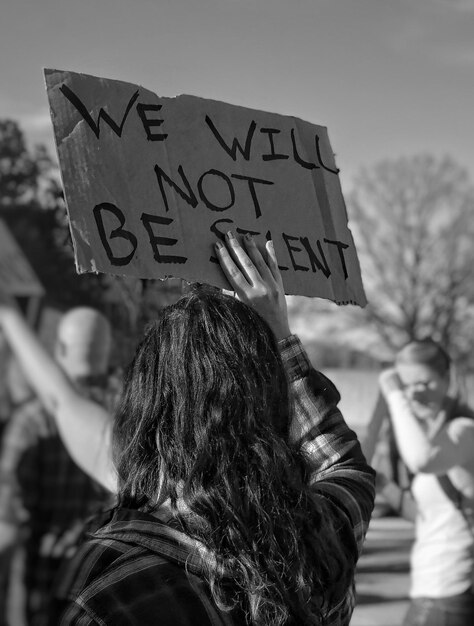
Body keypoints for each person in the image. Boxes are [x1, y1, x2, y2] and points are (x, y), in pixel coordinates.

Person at [1, 233, 375, 625]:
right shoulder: (321, 538)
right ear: (274, 401)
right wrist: (277, 331)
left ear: (146, 407)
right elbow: (343, 464)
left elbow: (62, 402)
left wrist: (9, 312)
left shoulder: (108, 586)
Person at [0, 307, 115, 626]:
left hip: (44, 592)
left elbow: (6, 529)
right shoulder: (129, 418)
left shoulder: (32, 422)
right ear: (106, 351)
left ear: (60, 349)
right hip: (106, 592)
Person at [379, 339, 474, 626]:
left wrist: (395, 395)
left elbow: (422, 459)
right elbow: (424, 517)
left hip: (451, 590)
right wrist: (382, 485)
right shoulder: (434, 438)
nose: (414, 393)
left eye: (424, 382)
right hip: (432, 588)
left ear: (447, 379)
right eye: (407, 384)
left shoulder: (464, 430)